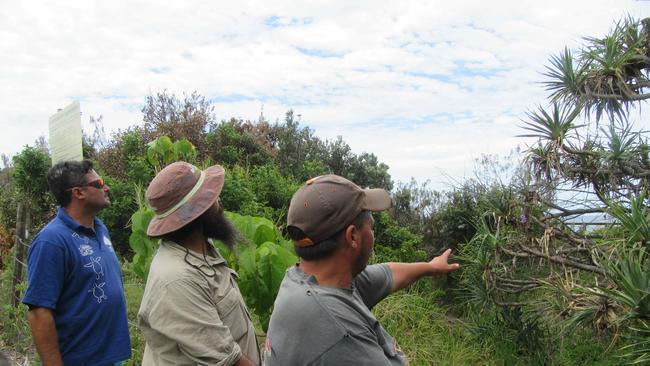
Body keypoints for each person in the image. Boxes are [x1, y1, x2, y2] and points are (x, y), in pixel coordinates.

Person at [264, 174, 460, 366]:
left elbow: (388, 273)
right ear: (353, 237)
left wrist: (432, 267)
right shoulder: (340, 334)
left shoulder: (303, 279)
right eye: (371, 227)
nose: (373, 234)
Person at [138, 162, 261, 366]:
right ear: (198, 212)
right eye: (211, 198)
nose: (219, 203)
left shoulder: (202, 249)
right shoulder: (176, 278)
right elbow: (229, 361)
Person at [22, 160, 131, 366]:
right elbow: (39, 312)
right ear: (78, 193)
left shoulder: (100, 229)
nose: (106, 187)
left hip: (111, 357)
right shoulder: (52, 241)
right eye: (99, 183)